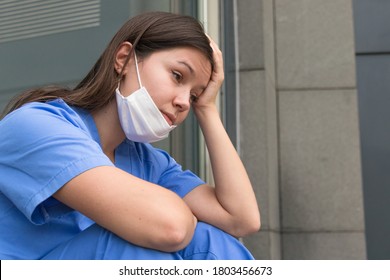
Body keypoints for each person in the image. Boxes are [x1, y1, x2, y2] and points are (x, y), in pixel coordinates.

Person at [0, 11, 260, 260]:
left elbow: (240, 218)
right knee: (134, 245)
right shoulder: (35, 125)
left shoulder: (149, 163)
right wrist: (181, 217)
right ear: (123, 59)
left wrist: (208, 109)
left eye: (193, 96)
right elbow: (172, 228)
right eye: (177, 75)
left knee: (208, 239)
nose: (184, 103)